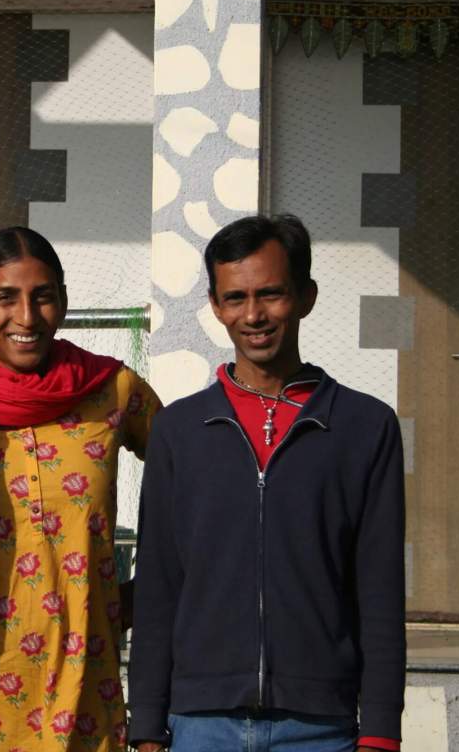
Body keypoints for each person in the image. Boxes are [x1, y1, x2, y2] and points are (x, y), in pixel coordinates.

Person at [129, 215, 406, 752]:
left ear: (306, 296)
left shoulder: (365, 427)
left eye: (271, 294)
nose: (252, 315)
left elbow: (379, 589)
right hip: (198, 725)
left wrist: (380, 730)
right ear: (214, 305)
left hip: (321, 729)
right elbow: (159, 584)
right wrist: (146, 725)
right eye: (235, 298)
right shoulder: (179, 431)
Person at [0, 226, 162, 751]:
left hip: (86, 677)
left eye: (43, 296)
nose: (26, 317)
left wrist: (156, 586)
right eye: (6, 298)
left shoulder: (112, 390)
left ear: (63, 302)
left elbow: (202, 480)